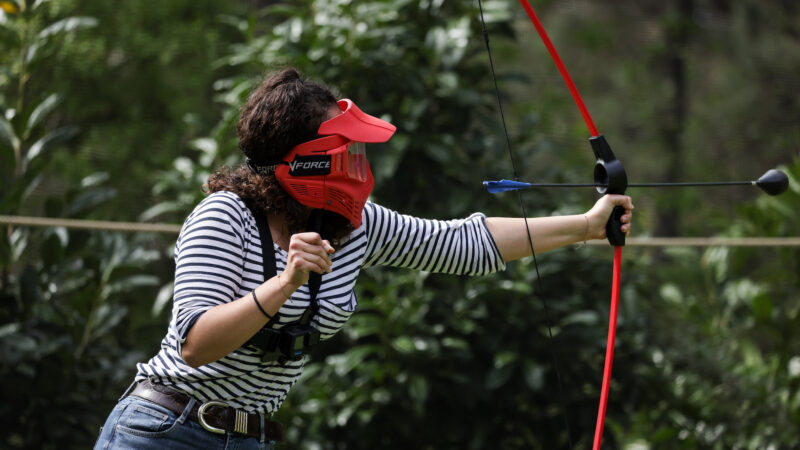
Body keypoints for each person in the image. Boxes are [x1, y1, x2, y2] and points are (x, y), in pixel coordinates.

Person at [94, 67, 634, 449]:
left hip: (249, 438)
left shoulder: (352, 225)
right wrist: (282, 286)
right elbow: (194, 345)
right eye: (345, 151)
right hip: (164, 430)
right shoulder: (224, 216)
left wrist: (587, 227)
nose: (358, 164)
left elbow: (464, 244)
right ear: (303, 162)